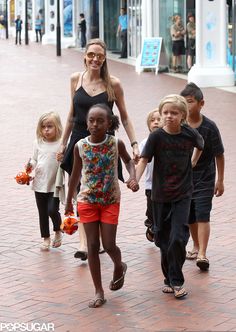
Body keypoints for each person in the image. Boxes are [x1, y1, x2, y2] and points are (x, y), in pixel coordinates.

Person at [58, 38, 139, 261]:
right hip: (79, 141)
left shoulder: (114, 84)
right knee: (80, 190)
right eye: (91, 55)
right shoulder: (76, 79)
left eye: (100, 56)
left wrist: (134, 143)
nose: (95, 59)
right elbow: (71, 115)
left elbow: (124, 116)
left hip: (104, 144)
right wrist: (63, 143)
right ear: (85, 55)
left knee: (101, 190)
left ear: (104, 59)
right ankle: (84, 244)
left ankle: (100, 237)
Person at [130, 94, 204, 299]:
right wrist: (134, 178)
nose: (169, 116)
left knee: (178, 238)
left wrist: (193, 163)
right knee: (163, 240)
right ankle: (168, 279)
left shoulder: (189, 133)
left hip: (183, 193)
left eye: (174, 113)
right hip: (160, 195)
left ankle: (177, 280)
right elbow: (144, 160)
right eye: (165, 113)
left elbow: (201, 145)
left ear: (182, 115)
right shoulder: (156, 137)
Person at [65, 103, 139, 308]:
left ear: (109, 123)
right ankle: (98, 291)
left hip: (110, 200)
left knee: (108, 244)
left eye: (100, 120)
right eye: (91, 120)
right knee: (92, 246)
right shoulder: (80, 146)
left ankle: (118, 265)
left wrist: (132, 178)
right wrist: (69, 202)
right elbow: (75, 175)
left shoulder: (116, 143)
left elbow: (128, 162)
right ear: (86, 123)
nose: (95, 124)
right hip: (87, 200)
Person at [180, 82, 225, 271]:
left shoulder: (209, 127)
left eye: (190, 102)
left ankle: (202, 254)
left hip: (206, 177)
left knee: (203, 214)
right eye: (184, 102)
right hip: (185, 178)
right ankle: (196, 245)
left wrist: (220, 180)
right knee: (190, 215)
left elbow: (219, 154)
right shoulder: (180, 125)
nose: (187, 106)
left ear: (201, 103)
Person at [26, 112, 64, 251]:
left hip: (55, 184)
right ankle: (46, 237)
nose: (46, 130)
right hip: (40, 183)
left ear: (57, 127)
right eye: (43, 127)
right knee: (42, 212)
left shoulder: (61, 144)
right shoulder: (38, 143)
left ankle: (58, 230)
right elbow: (35, 159)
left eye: (49, 126)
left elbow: (65, 162)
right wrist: (30, 165)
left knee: (52, 210)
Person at [139, 109, 162, 242]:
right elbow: (141, 161)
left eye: (159, 120)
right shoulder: (145, 143)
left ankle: (159, 228)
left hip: (167, 186)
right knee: (152, 210)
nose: (156, 122)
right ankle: (152, 225)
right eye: (152, 120)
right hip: (151, 184)